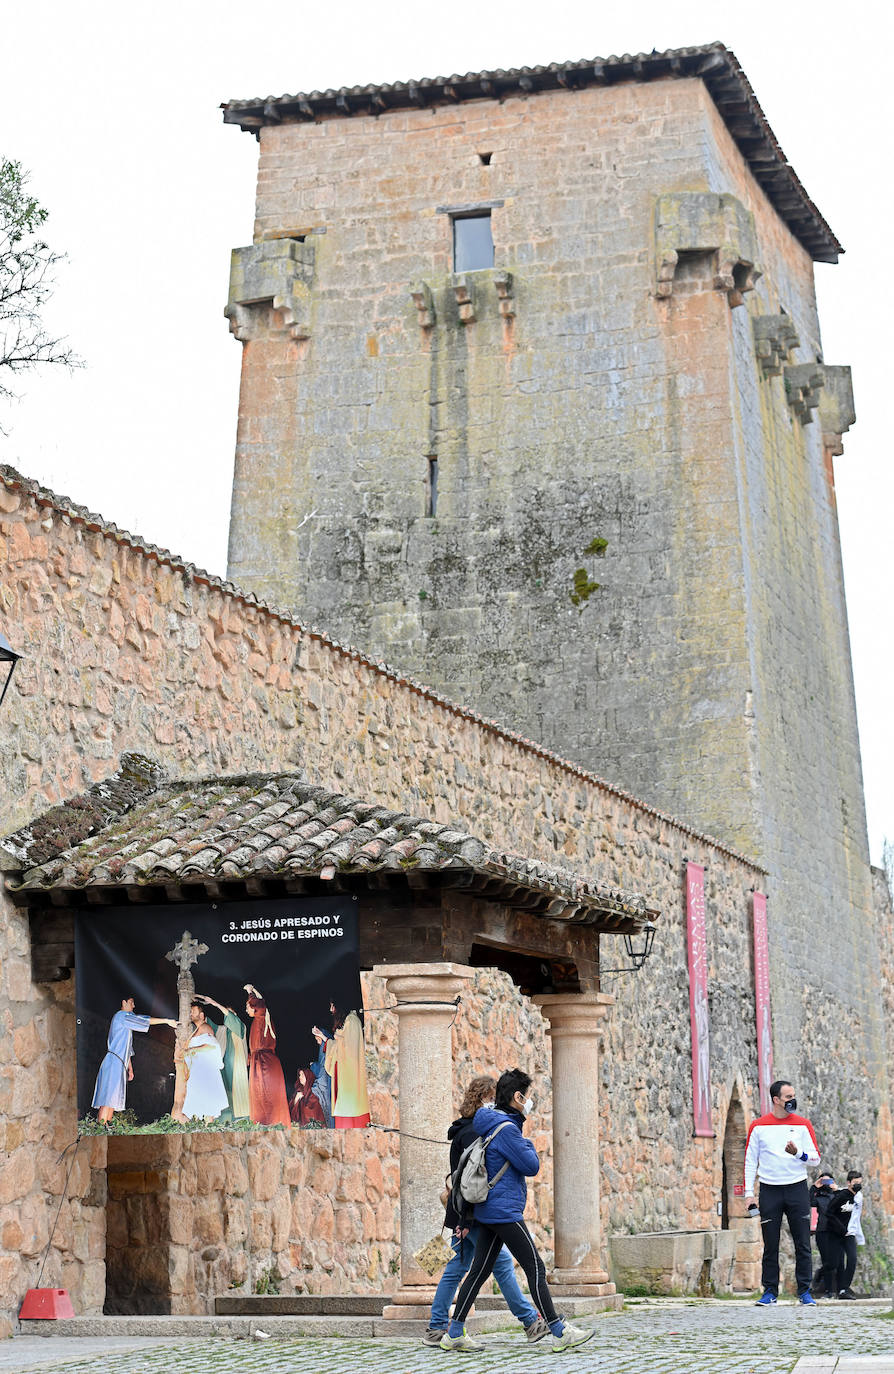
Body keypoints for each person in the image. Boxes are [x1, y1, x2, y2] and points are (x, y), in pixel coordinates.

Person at [440, 1068, 594, 1354]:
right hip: (504, 1211)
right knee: (535, 1266)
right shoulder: (508, 1129)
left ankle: (454, 1332)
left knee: (479, 1271)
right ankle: (558, 1330)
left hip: (488, 1209)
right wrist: (528, 1144)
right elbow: (531, 1165)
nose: (530, 1102)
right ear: (517, 1097)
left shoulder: (491, 1122)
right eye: (528, 1097)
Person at [422, 1075, 549, 1347]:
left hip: (466, 1212)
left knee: (458, 1266)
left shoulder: (467, 1128)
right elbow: (472, 1178)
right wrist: (466, 1219)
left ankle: (438, 1328)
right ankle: (530, 1321)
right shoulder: (476, 1132)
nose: (496, 1104)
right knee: (499, 1263)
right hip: (476, 1212)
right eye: (492, 1098)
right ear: (484, 1099)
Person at [744, 1078, 821, 1306]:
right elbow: (750, 1161)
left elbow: (815, 1159)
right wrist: (749, 1193)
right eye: (788, 1097)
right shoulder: (758, 1126)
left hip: (796, 1188)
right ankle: (770, 1292)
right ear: (776, 1100)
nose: (792, 1100)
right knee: (771, 1244)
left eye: (793, 1096)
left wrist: (798, 1154)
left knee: (803, 1244)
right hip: (770, 1190)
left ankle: (805, 1292)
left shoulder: (802, 1124)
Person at [91, 996, 177, 1123]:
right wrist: (166, 1020)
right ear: (123, 1002)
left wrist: (130, 1068)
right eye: (131, 1003)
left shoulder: (126, 1025)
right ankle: (100, 1127)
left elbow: (128, 1050)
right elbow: (142, 1019)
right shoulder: (121, 1016)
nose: (134, 1006)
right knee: (107, 1099)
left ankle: (106, 1125)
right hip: (113, 1062)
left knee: (112, 1099)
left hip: (119, 1063)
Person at [194, 993, 250, 1123]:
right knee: (224, 1090)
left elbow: (231, 1019)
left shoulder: (240, 1027)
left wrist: (214, 1003)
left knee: (237, 1090)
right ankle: (226, 1118)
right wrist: (199, 1009)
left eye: (229, 1014)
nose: (227, 1016)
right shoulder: (223, 1030)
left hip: (236, 1065)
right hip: (224, 1063)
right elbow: (209, 1026)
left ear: (234, 1016)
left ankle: (242, 1118)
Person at [244, 984, 291, 1128]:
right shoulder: (260, 1020)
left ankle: (269, 1122)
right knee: (260, 1094)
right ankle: (265, 1123)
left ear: (255, 1008)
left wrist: (250, 992)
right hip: (261, 1061)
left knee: (265, 1093)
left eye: (248, 1007)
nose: (246, 1010)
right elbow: (261, 1002)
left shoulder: (261, 1017)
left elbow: (261, 1005)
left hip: (265, 1063)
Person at [320, 1008, 370, 1128]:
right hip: (343, 1074)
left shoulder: (351, 1021)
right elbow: (340, 1046)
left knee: (351, 1113)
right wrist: (325, 1038)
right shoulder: (347, 1022)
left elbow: (350, 1050)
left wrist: (337, 1037)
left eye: (332, 1006)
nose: (331, 1010)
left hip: (350, 1075)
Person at [180, 1001, 229, 1121]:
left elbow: (213, 1046)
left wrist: (192, 1049)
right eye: (190, 1011)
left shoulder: (205, 1027)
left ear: (201, 1015)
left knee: (208, 1106)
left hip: (205, 1072)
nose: (191, 1014)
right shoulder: (197, 1030)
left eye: (193, 1011)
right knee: (199, 1104)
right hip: (198, 1072)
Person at [826, 1169, 864, 1299]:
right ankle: (826, 1285)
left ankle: (844, 1289)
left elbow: (856, 1216)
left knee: (852, 1259)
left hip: (850, 1233)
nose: (857, 1185)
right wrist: (842, 1229)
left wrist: (854, 1233)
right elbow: (829, 1213)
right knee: (834, 1263)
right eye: (855, 1183)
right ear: (849, 1183)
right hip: (836, 1233)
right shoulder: (841, 1196)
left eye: (860, 1182)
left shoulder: (859, 1197)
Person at [809, 1171, 838, 1297]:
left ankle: (821, 1275)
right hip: (822, 1231)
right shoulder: (818, 1197)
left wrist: (836, 1190)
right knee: (826, 1260)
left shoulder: (837, 1195)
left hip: (836, 1231)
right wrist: (814, 1187)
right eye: (823, 1181)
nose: (826, 1184)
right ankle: (829, 1291)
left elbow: (847, 1201)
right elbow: (808, 1202)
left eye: (828, 1181)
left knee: (835, 1262)